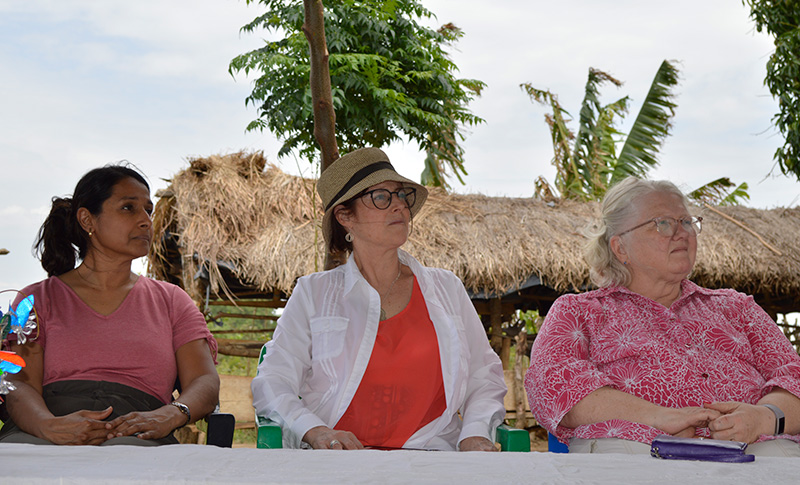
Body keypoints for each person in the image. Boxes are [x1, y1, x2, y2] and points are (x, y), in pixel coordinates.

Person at [251, 148, 506, 451]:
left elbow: (483, 375)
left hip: (432, 458)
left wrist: (474, 433)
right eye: (381, 197)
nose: (399, 206)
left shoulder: (446, 289)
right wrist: (315, 431)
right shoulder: (313, 294)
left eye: (401, 195)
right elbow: (273, 380)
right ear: (345, 216)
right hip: (336, 461)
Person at [525, 176, 800, 456]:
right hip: (633, 449)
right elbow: (554, 386)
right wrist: (658, 417)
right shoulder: (579, 312)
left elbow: (794, 377)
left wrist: (764, 417)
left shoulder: (737, 308)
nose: (681, 233)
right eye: (663, 223)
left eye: (687, 222)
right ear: (620, 248)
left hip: (758, 449)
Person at [0, 164, 219, 446]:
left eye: (148, 211)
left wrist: (172, 414)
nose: (146, 221)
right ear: (87, 220)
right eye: (128, 208)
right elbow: (17, 383)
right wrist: (48, 426)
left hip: (139, 435)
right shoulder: (33, 301)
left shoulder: (172, 301)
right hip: (41, 433)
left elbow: (204, 380)